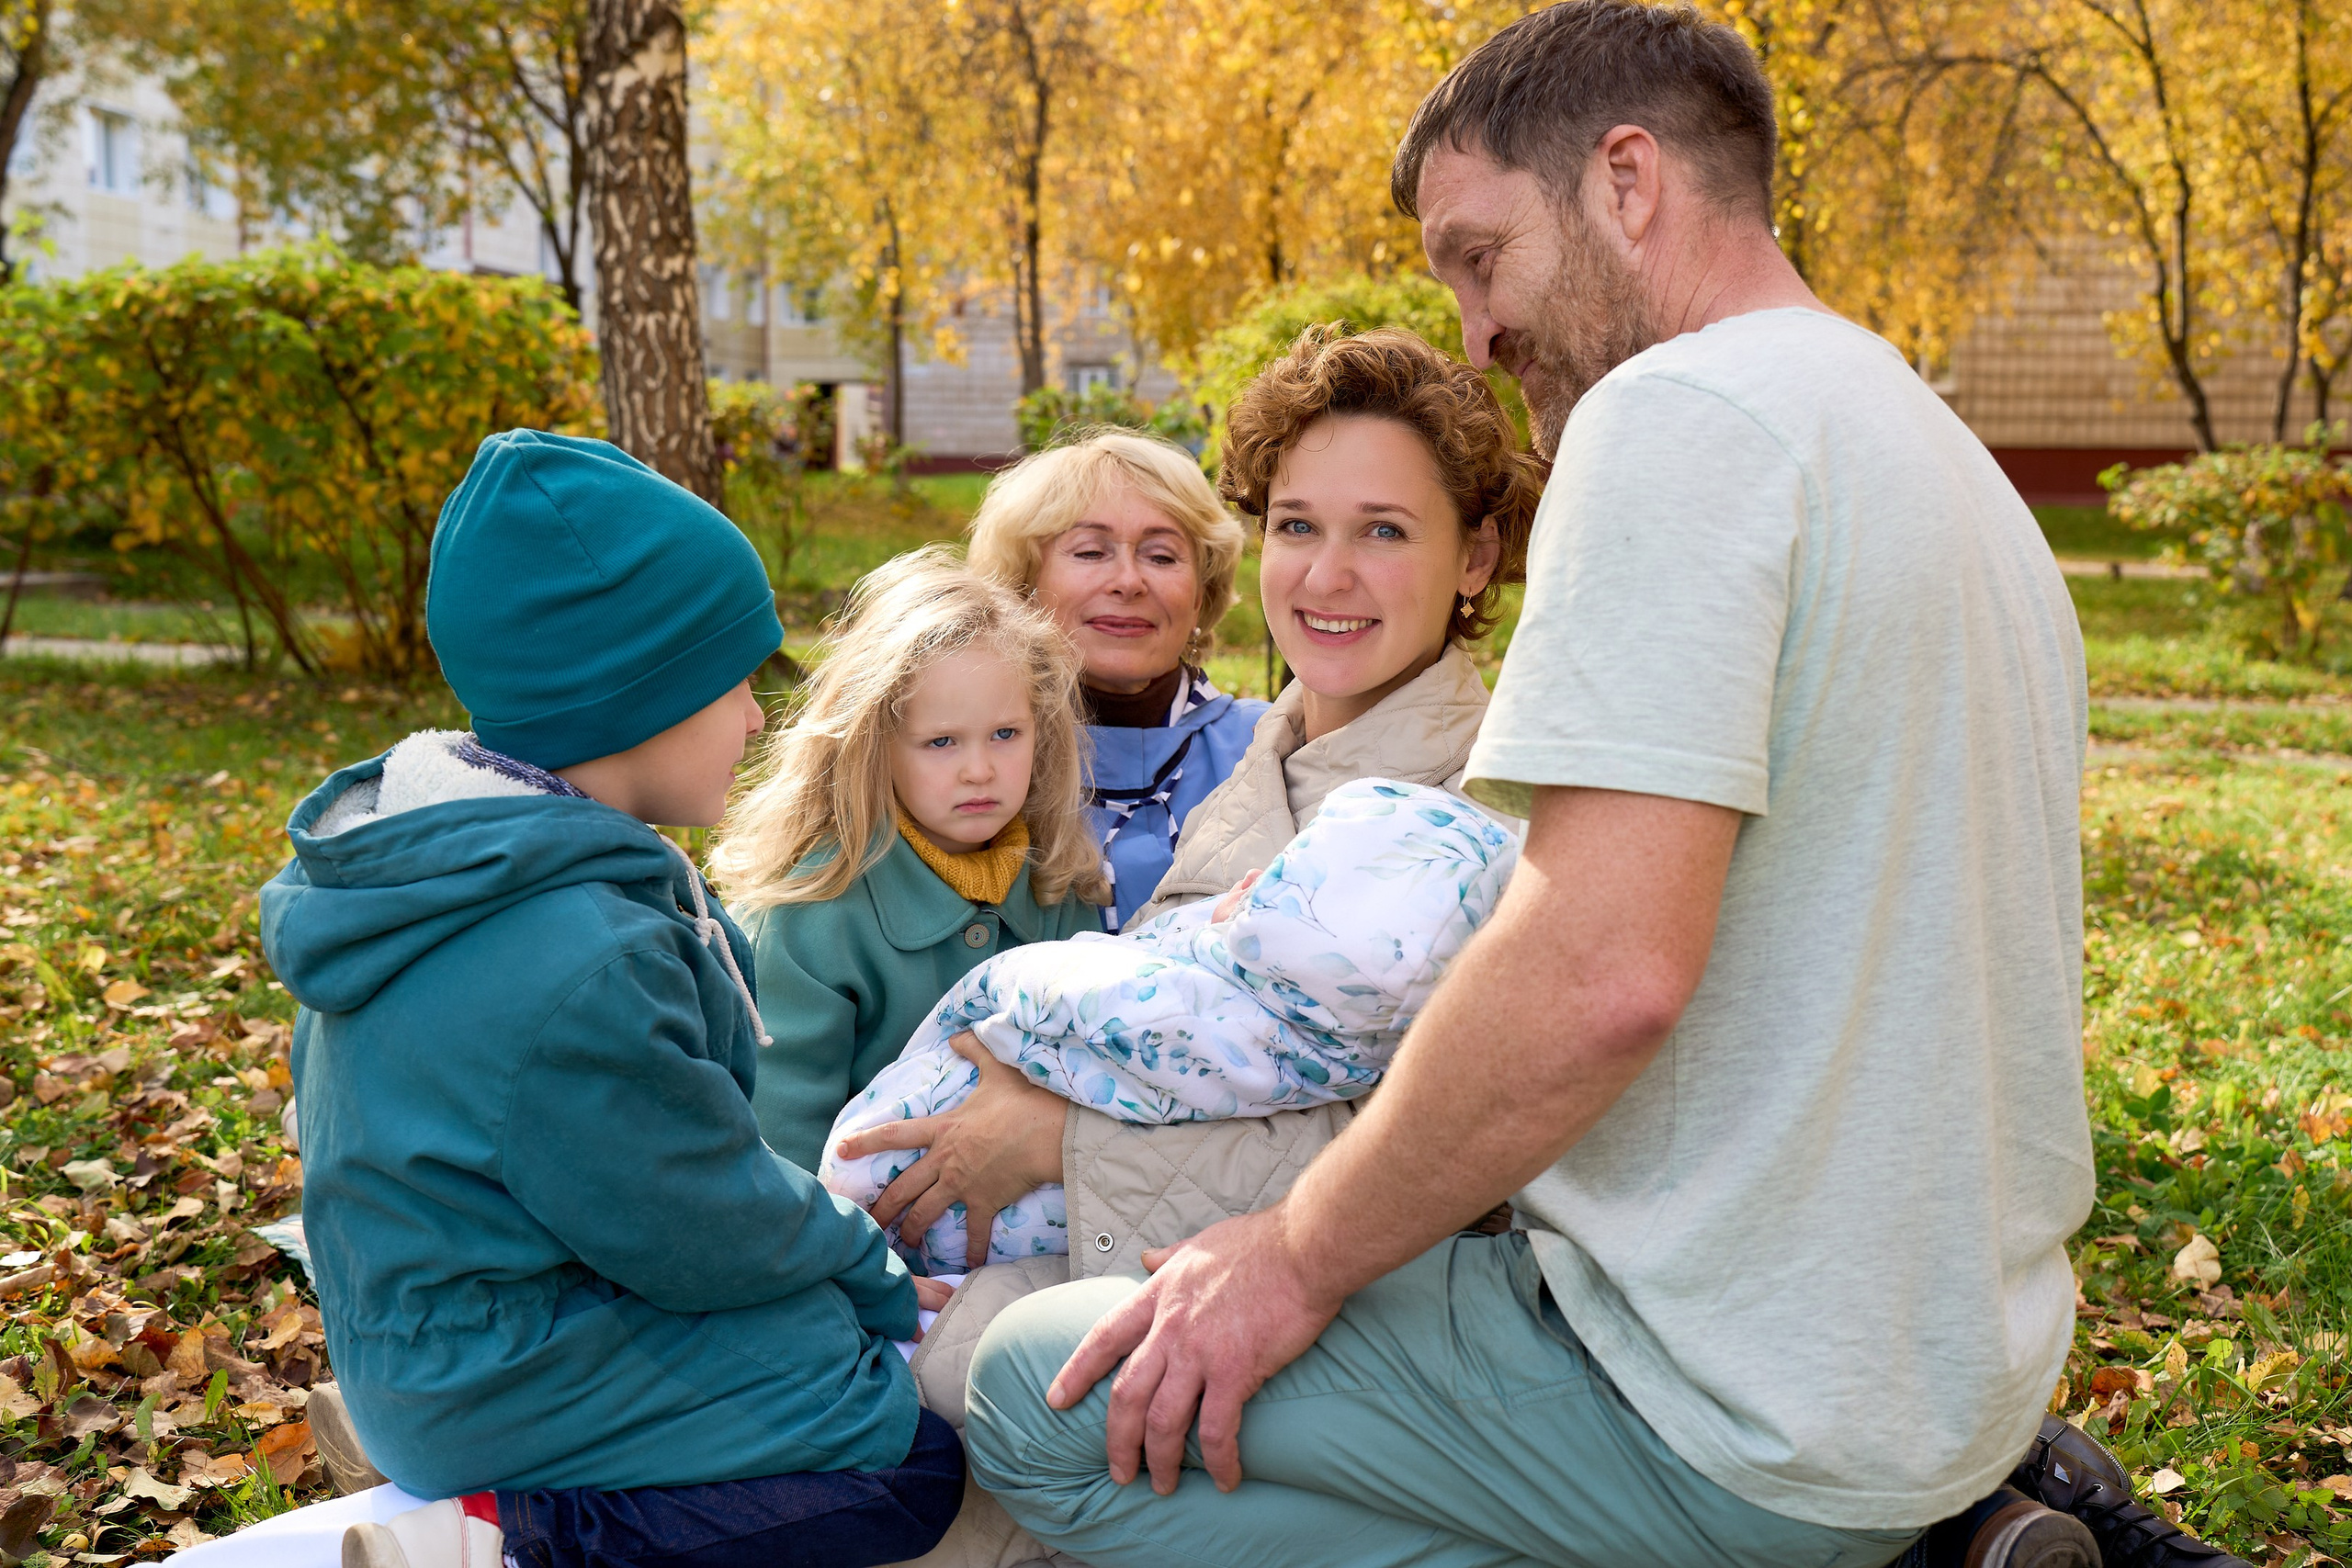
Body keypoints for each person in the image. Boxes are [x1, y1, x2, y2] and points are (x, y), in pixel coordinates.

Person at [954, 6, 2229, 1567]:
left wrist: (1289, 1259)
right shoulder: (1933, 447)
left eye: (1479, 258)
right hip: (1943, 1373)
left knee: (1040, 1392)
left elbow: (1599, 973)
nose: (1475, 332)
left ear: (1627, 182)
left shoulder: (1678, 415)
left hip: (1726, 1395)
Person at [260, 430, 961, 1568]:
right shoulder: (576, 951)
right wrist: (860, 1260)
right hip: (497, 1362)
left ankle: (472, 1491)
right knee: (898, 1452)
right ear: (635, 694)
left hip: (439, 1328)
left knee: (820, 1342)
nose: (751, 717)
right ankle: (506, 1539)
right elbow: (689, 1219)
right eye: (733, 681)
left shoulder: (442, 862)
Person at [827, 325, 1543, 1283]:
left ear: (1473, 555)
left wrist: (1060, 1143)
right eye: (1295, 525)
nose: (1326, 575)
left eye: (1384, 529)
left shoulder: (1481, 816)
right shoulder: (1264, 761)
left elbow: (1471, 1162)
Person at [823, 778, 1518, 1274]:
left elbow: (1112, 999)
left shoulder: (1475, 809)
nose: (1330, 574)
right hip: (1014, 1198)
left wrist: (1058, 1128)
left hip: (1133, 1240)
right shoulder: (1247, 780)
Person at [710, 547, 1106, 1176]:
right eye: (941, 742)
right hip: (851, 1242)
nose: (979, 769)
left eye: (1006, 734)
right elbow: (777, 1146)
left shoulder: (1059, 885)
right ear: (876, 746)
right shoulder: (810, 914)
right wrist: (859, 1271)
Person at [965, 429, 1265, 931]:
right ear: (1022, 586)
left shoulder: (1274, 748)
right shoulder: (966, 756)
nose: (1129, 581)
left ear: (1200, 594)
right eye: (1090, 552)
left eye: (1162, 556)